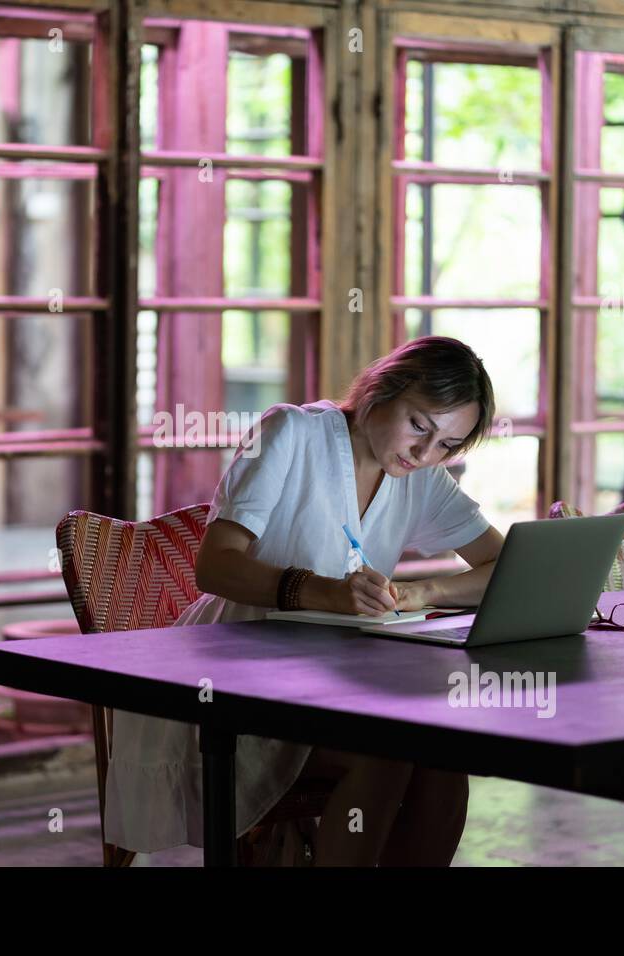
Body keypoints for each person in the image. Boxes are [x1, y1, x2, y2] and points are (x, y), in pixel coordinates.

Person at [103, 335, 505, 865]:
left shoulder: (421, 477)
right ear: (381, 390)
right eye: (419, 426)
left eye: (448, 446)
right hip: (230, 680)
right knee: (381, 755)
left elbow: (504, 567)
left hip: (334, 680)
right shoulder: (291, 432)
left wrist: (419, 591)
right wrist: (320, 591)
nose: (425, 454)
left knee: (441, 755)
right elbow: (215, 565)